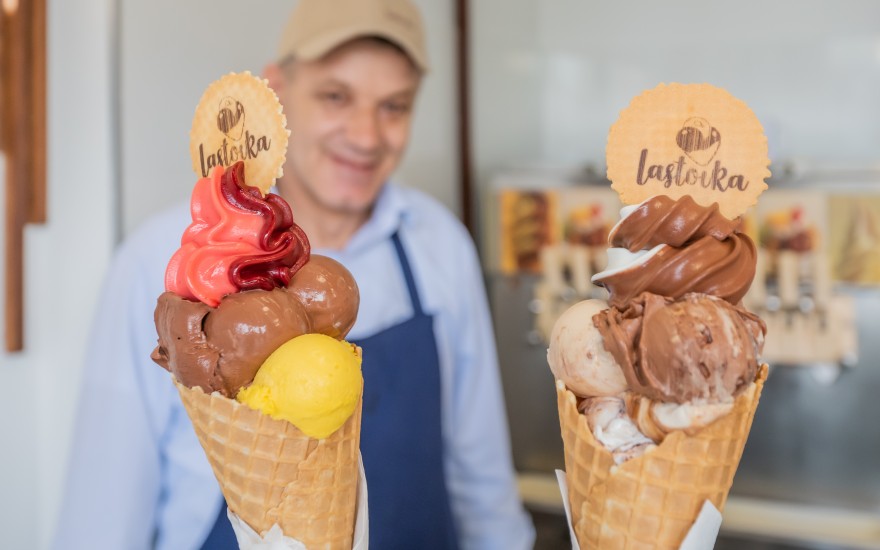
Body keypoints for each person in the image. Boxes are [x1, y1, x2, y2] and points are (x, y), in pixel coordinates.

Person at [52, 0, 535, 548]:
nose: (367, 136)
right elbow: (103, 513)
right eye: (335, 96)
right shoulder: (158, 263)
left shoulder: (439, 243)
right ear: (277, 93)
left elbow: (480, 473)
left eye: (394, 106)